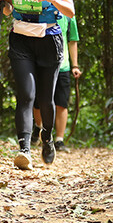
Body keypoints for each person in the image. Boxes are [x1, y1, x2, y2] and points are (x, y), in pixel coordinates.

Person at [0, 0, 75, 170]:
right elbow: (8, 12)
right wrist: (3, 0)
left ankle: (47, 138)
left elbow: (70, 11)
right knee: (26, 95)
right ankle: (24, 150)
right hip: (21, 40)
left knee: (45, 98)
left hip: (49, 40)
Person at [31, 15, 81, 153]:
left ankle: (59, 139)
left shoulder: (69, 15)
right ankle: (38, 127)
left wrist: (75, 65)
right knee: (38, 101)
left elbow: (72, 40)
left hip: (62, 66)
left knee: (62, 103)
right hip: (42, 63)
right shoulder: (41, 8)